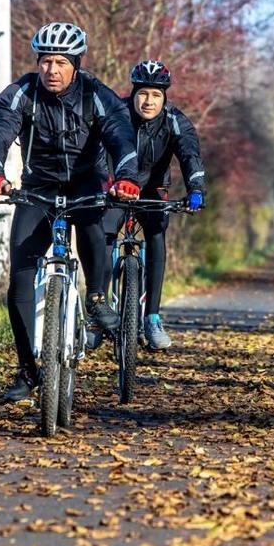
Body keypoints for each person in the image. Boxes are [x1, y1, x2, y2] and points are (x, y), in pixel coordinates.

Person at [0, 22, 140, 402]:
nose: (52, 70)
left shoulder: (95, 94)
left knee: (91, 226)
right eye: (46, 62)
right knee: (19, 278)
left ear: (76, 64)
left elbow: (120, 134)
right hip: (38, 188)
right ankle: (26, 372)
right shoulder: (23, 93)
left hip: (86, 183)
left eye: (60, 63)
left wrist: (127, 177)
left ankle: (98, 299)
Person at [97, 60, 206, 351]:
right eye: (143, 93)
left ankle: (153, 317)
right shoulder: (115, 114)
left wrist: (196, 189)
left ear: (164, 97)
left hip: (153, 190)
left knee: (156, 234)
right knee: (105, 233)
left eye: (156, 95)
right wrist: (103, 184)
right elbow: (94, 150)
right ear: (133, 94)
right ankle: (99, 312)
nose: (149, 101)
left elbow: (190, 156)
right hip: (117, 187)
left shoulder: (175, 120)